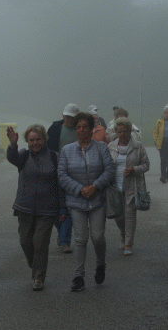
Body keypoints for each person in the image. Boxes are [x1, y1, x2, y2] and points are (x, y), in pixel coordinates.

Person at [58, 112, 115, 292]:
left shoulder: (101, 148)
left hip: (97, 200)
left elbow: (109, 170)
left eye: (85, 126)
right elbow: (62, 175)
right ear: (75, 130)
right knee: (80, 239)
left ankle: (100, 264)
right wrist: (80, 189)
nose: (82, 130)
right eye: (78, 127)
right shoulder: (67, 150)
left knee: (97, 237)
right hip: (77, 202)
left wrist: (95, 186)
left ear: (92, 129)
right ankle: (78, 276)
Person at [6, 124, 66, 291]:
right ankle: (36, 266)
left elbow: (60, 185)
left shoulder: (55, 157)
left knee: (40, 244)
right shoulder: (23, 156)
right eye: (31, 140)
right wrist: (12, 144)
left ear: (44, 139)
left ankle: (39, 277)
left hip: (47, 209)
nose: (35, 143)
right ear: (27, 141)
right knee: (25, 242)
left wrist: (62, 209)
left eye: (38, 139)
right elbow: (12, 158)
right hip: (25, 207)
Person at [108, 117, 150, 255]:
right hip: (115, 187)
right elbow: (107, 166)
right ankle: (123, 233)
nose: (122, 134)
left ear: (130, 131)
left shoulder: (138, 146)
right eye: (119, 131)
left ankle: (128, 244)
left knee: (130, 215)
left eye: (125, 131)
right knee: (118, 216)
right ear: (116, 132)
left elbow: (146, 165)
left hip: (132, 186)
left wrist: (134, 170)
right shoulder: (111, 146)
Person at [47, 103, 79, 254]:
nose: (69, 120)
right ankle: (61, 232)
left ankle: (65, 241)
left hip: (75, 173)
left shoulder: (81, 129)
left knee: (69, 207)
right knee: (53, 207)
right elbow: (47, 149)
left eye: (72, 117)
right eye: (67, 117)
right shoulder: (54, 128)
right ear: (63, 116)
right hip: (55, 171)